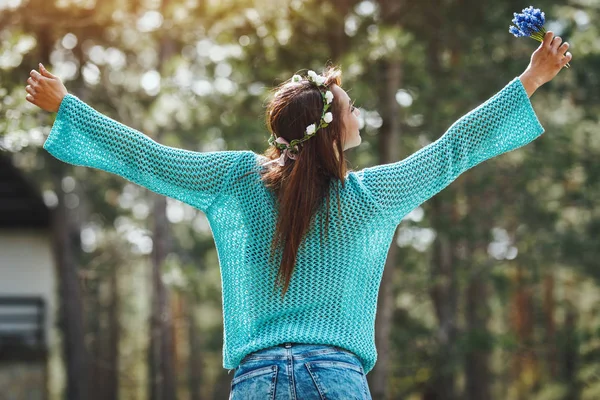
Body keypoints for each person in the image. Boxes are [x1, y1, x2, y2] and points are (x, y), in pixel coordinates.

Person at [26, 30, 571, 399]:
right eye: (353, 107)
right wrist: (531, 79)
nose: (360, 114)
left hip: (257, 379)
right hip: (335, 377)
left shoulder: (237, 180)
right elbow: (457, 146)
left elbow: (148, 158)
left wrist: (68, 107)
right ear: (334, 129)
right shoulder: (371, 194)